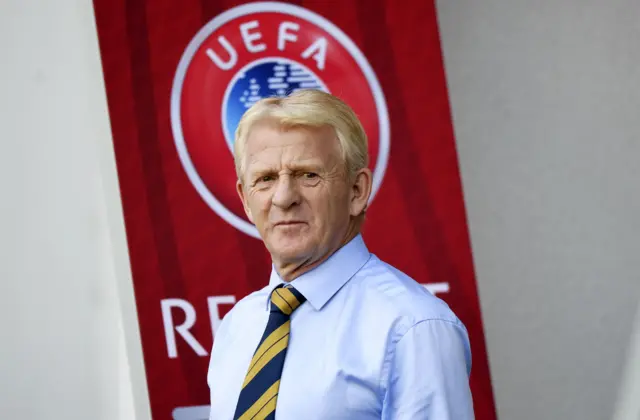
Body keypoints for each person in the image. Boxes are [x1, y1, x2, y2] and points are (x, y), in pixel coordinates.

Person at [207, 89, 474, 419]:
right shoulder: (238, 327)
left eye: (308, 175)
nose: (283, 197)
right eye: (266, 179)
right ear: (246, 199)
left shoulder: (413, 327)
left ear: (357, 191)